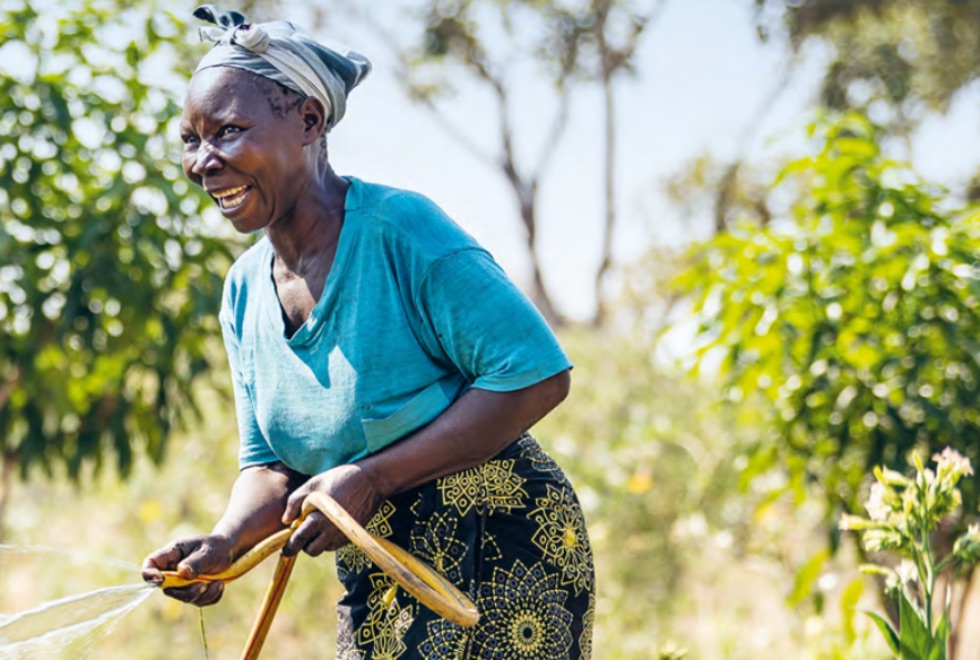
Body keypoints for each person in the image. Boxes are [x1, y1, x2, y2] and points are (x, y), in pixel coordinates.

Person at [141, 6, 595, 658]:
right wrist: (226, 541)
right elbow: (270, 464)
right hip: (377, 560)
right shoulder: (243, 292)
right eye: (191, 139)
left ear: (308, 122)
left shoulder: (400, 230)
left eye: (230, 131)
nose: (204, 162)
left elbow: (536, 375)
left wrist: (373, 477)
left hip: (501, 547)